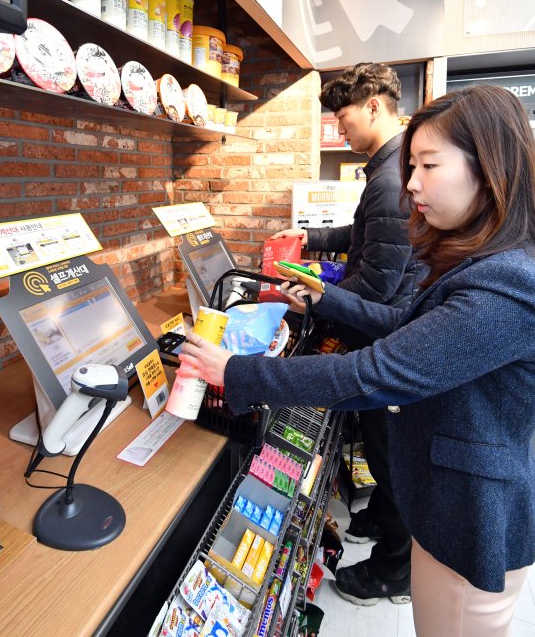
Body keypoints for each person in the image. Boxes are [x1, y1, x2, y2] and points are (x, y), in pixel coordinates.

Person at [179, 86, 535, 637]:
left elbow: (375, 372)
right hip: (446, 506)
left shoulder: (504, 283)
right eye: (412, 165)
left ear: (489, 168)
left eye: (429, 165)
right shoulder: (484, 259)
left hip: (469, 520)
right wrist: (326, 295)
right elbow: (410, 333)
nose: (412, 183)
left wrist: (236, 371)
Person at [272, 62, 416, 604]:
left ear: (375, 105)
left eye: (345, 114)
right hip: (388, 330)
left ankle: (394, 574)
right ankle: (381, 514)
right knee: (384, 450)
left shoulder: (389, 176)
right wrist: (309, 240)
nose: (340, 127)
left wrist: (317, 298)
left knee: (390, 455)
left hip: (388, 338)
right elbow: (365, 236)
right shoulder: (387, 170)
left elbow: (376, 287)